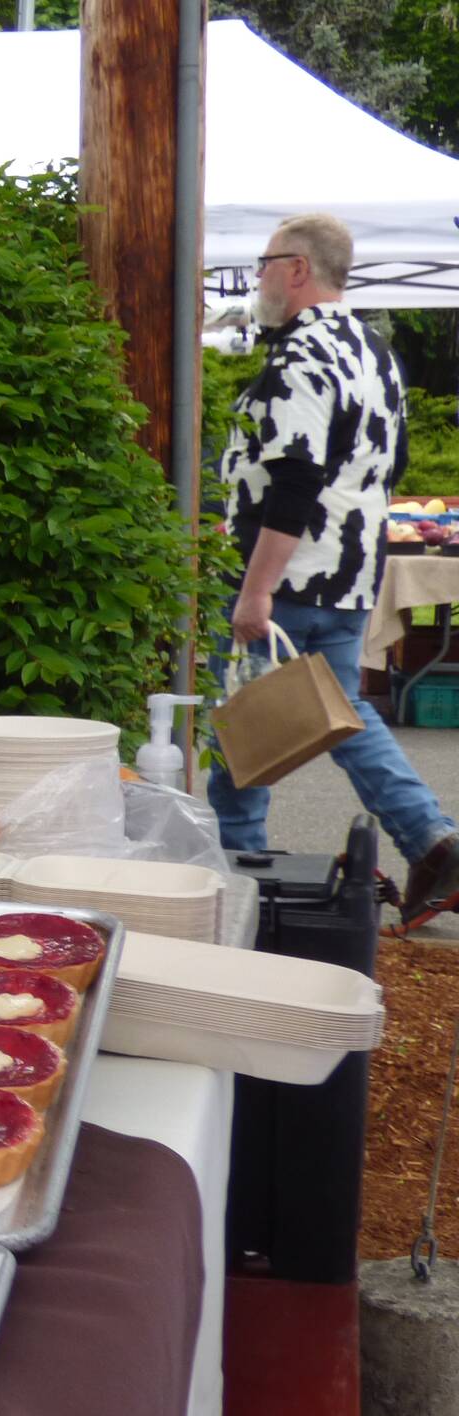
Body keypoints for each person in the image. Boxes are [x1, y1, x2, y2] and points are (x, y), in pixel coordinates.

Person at [212, 213, 459, 919]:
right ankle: (432, 840)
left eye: (265, 264)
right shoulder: (375, 352)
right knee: (345, 714)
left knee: (243, 729)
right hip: (350, 571)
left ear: (297, 268)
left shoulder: (301, 356)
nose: (259, 278)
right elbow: (391, 463)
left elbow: (295, 479)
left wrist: (256, 590)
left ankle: (239, 876)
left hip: (285, 573)